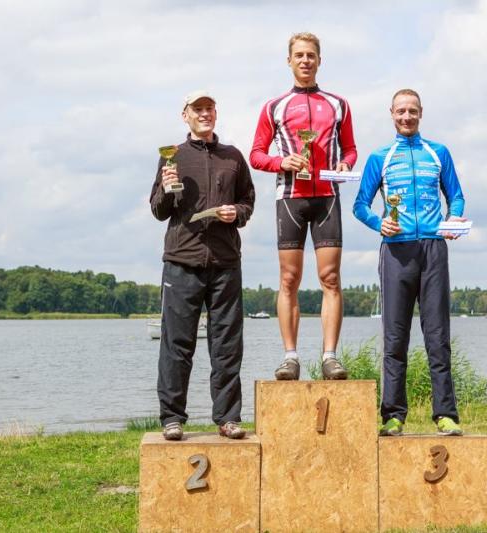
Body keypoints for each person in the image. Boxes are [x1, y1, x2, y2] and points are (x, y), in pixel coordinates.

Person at [353, 89, 467, 436]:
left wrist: (453, 219)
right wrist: (379, 223)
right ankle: (393, 415)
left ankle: (445, 414)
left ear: (421, 113)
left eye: (412, 111)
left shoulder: (438, 152)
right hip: (396, 251)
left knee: (438, 336)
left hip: (433, 249)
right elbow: (360, 205)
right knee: (395, 337)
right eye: (401, 111)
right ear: (391, 113)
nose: (406, 117)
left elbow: (456, 196)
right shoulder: (380, 157)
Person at [250, 32, 357, 381]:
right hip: (290, 198)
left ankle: (330, 357)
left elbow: (351, 149)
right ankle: (290, 357)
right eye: (299, 55)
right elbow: (256, 154)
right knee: (288, 279)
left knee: (330, 278)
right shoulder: (274, 106)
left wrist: (345, 164)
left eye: (311, 55)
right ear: (289, 61)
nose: (305, 60)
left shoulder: (338, 104)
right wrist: (281, 162)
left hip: (327, 197)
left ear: (319, 60)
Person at [150, 90, 256, 440]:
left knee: (227, 345)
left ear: (216, 113)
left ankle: (228, 418)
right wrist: (167, 189)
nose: (204, 113)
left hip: (225, 262)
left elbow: (248, 201)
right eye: (198, 109)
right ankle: (172, 418)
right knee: (177, 344)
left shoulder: (233, 156)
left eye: (209, 108)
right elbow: (158, 210)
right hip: (182, 260)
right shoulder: (172, 156)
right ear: (186, 115)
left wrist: (236, 212)